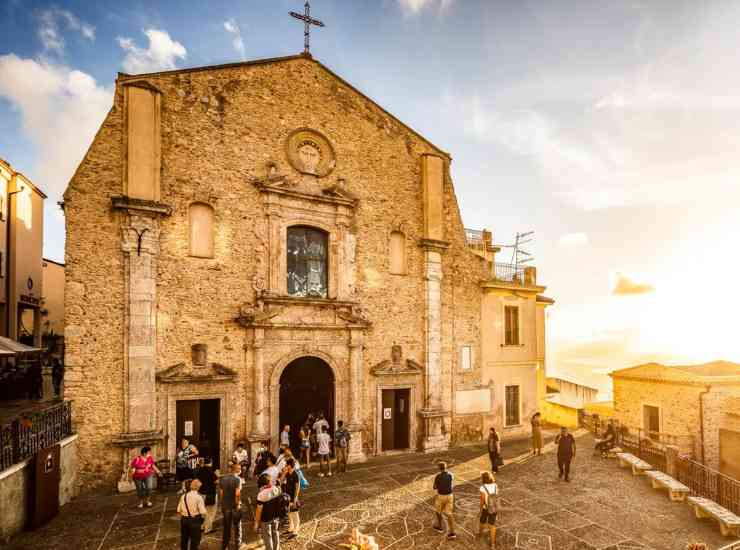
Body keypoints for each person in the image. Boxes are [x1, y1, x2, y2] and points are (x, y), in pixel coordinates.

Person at [254, 473, 283, 550]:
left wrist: (256, 523)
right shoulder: (276, 489)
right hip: (276, 516)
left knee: (267, 536)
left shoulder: (261, 494)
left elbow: (259, 511)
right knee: (275, 533)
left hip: (266, 519)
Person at [178, 478, 207, 550]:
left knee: (184, 539)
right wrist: (203, 522)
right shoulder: (198, 497)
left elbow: (178, 510)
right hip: (195, 521)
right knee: (195, 541)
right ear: (198, 487)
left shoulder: (183, 496)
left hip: (184, 520)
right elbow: (203, 512)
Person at [219, 462, 243, 550]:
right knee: (237, 528)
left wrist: (223, 504)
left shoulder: (223, 479)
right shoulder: (238, 479)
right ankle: (238, 546)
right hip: (234, 507)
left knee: (226, 528)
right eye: (239, 469)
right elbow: (237, 494)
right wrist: (238, 505)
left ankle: (225, 546)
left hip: (226, 507)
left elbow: (221, 494)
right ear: (238, 470)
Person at [432, 461, 457, 540]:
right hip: (450, 495)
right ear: (446, 467)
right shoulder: (450, 474)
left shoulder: (438, 476)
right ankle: (452, 532)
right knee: (449, 513)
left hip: (441, 496)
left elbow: (434, 487)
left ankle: (440, 527)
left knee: (438, 511)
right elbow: (451, 483)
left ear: (439, 468)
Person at [280, 458, 301, 539]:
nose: (285, 466)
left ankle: (296, 530)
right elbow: (281, 481)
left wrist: (295, 498)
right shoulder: (288, 473)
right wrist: (284, 473)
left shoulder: (296, 475)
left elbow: (297, 487)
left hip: (293, 496)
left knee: (295, 513)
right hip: (287, 496)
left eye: (286, 465)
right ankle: (291, 527)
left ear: (289, 465)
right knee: (289, 512)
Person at [196, 459, 218, 533]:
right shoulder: (210, 471)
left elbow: (198, 481)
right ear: (211, 463)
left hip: (201, 493)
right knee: (210, 512)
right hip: (209, 493)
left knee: (203, 511)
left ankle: (202, 526)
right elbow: (216, 481)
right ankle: (207, 529)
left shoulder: (200, 470)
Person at [478, 471, 498, 547]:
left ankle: (480, 534)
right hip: (494, 507)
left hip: (486, 508)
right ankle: (492, 544)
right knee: (492, 525)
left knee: (482, 521)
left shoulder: (483, 487)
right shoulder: (495, 485)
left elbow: (482, 500)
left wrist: (480, 510)